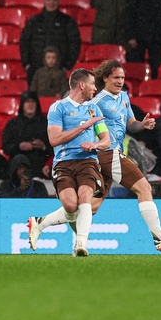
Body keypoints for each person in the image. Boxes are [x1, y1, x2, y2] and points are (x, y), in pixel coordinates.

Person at [27, 62, 161, 252]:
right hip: (107, 153)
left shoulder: (124, 98)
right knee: (144, 187)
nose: (120, 82)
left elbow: (131, 125)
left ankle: (40, 223)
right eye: (116, 78)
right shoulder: (96, 102)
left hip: (103, 155)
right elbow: (83, 123)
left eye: (122, 78)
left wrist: (141, 125)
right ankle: (159, 237)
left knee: (89, 207)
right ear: (105, 79)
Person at [32, 68, 110, 257]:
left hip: (87, 161)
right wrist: (83, 126)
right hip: (64, 163)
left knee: (85, 196)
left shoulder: (94, 109)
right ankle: (40, 223)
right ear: (81, 85)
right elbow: (54, 139)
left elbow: (106, 140)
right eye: (92, 84)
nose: (95, 88)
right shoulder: (58, 108)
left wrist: (94, 144)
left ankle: (80, 245)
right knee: (70, 206)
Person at [20, 0, 81, 84]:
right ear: (44, 0)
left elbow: (75, 43)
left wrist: (67, 66)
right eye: (48, 0)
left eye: (54, 0)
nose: (51, 3)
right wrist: (26, 63)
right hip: (35, 69)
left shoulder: (67, 21)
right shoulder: (34, 21)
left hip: (59, 70)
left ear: (58, 1)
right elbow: (24, 41)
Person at [2, 91, 52, 178]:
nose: (30, 104)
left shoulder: (47, 123)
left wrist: (44, 146)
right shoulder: (12, 124)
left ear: (37, 104)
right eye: (27, 101)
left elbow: (56, 147)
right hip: (18, 169)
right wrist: (19, 147)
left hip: (41, 169)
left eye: (33, 101)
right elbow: (6, 147)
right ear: (22, 104)